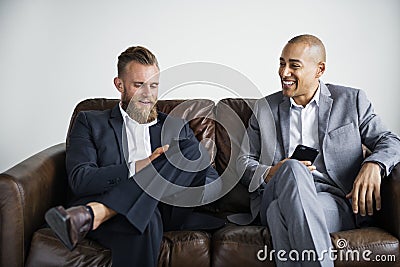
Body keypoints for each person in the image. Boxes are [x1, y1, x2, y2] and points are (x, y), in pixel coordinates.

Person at [45, 46, 225, 267]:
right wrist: (140, 166)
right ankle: (114, 208)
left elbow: (212, 179)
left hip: (169, 205)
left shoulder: (175, 126)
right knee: (143, 219)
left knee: (189, 151)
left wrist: (176, 183)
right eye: (139, 85)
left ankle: (99, 212)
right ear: (119, 85)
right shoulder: (90, 122)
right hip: (139, 216)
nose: (148, 94)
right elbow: (81, 179)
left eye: (154, 85)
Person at [236, 34, 400, 266]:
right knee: (292, 168)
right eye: (282, 63)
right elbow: (243, 163)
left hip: (332, 200)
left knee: (277, 215)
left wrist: (374, 164)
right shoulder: (264, 109)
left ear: (319, 70)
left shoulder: (351, 100)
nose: (284, 73)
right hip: (277, 191)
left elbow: (390, 140)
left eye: (294, 66)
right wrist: (271, 172)